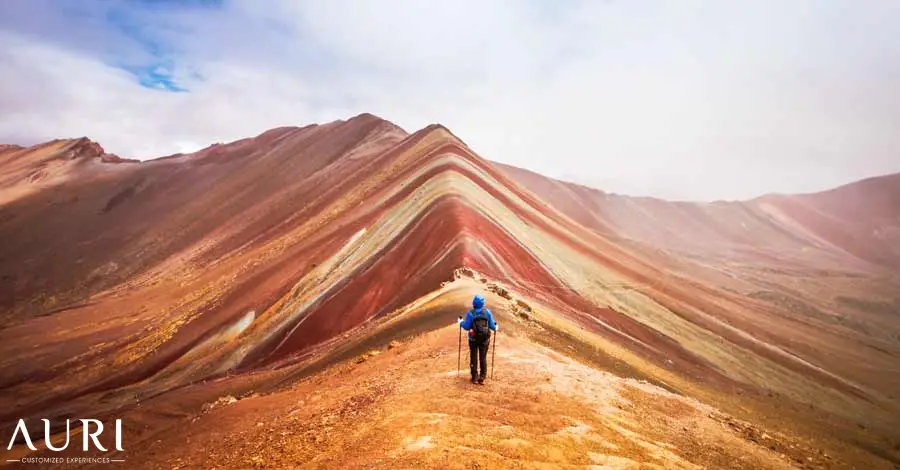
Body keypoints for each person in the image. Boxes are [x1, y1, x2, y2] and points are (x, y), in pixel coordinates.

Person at [458, 294, 498, 384]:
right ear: (483, 303)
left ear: (474, 303)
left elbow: (467, 327)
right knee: (483, 358)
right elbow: (492, 326)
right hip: (484, 339)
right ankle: (482, 377)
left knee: (473, 357)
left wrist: (461, 323)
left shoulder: (471, 313)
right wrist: (496, 327)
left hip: (473, 339)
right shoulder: (487, 312)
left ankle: (474, 377)